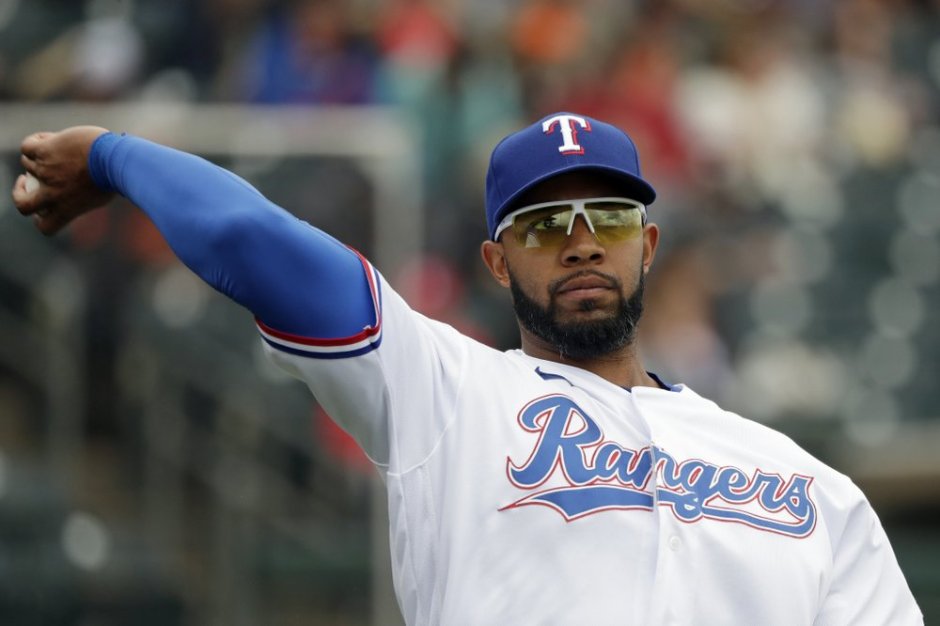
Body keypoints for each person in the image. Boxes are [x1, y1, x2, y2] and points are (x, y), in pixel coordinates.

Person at [12, 113, 922, 625]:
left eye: (606, 220)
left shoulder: (810, 488)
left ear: (647, 246)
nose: (579, 244)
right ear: (495, 261)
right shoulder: (445, 393)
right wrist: (113, 156)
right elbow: (255, 242)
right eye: (542, 225)